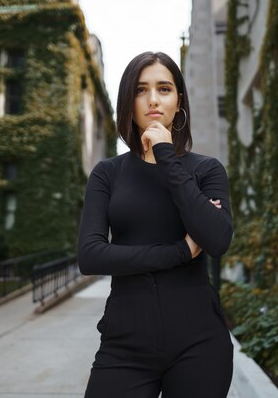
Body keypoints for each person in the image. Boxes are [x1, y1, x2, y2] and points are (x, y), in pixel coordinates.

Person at [77, 51, 234, 398]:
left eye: (164, 89)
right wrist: (179, 251)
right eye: (140, 89)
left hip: (199, 343)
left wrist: (166, 154)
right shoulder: (108, 174)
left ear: (179, 103)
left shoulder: (206, 170)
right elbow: (91, 256)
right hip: (124, 345)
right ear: (127, 103)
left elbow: (218, 239)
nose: (152, 100)